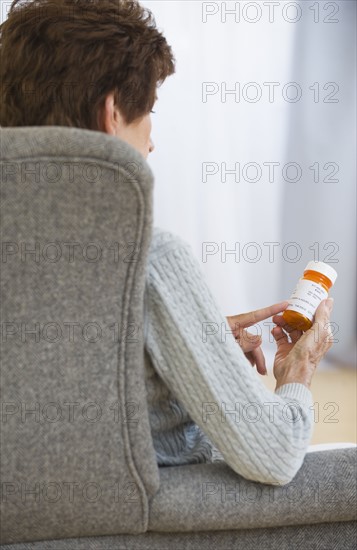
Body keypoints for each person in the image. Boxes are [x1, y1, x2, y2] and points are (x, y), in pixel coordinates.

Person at [0, 0, 336, 486]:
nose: (153, 142)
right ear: (110, 114)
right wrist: (298, 371)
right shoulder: (150, 259)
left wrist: (186, 350)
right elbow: (275, 455)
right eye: (149, 112)